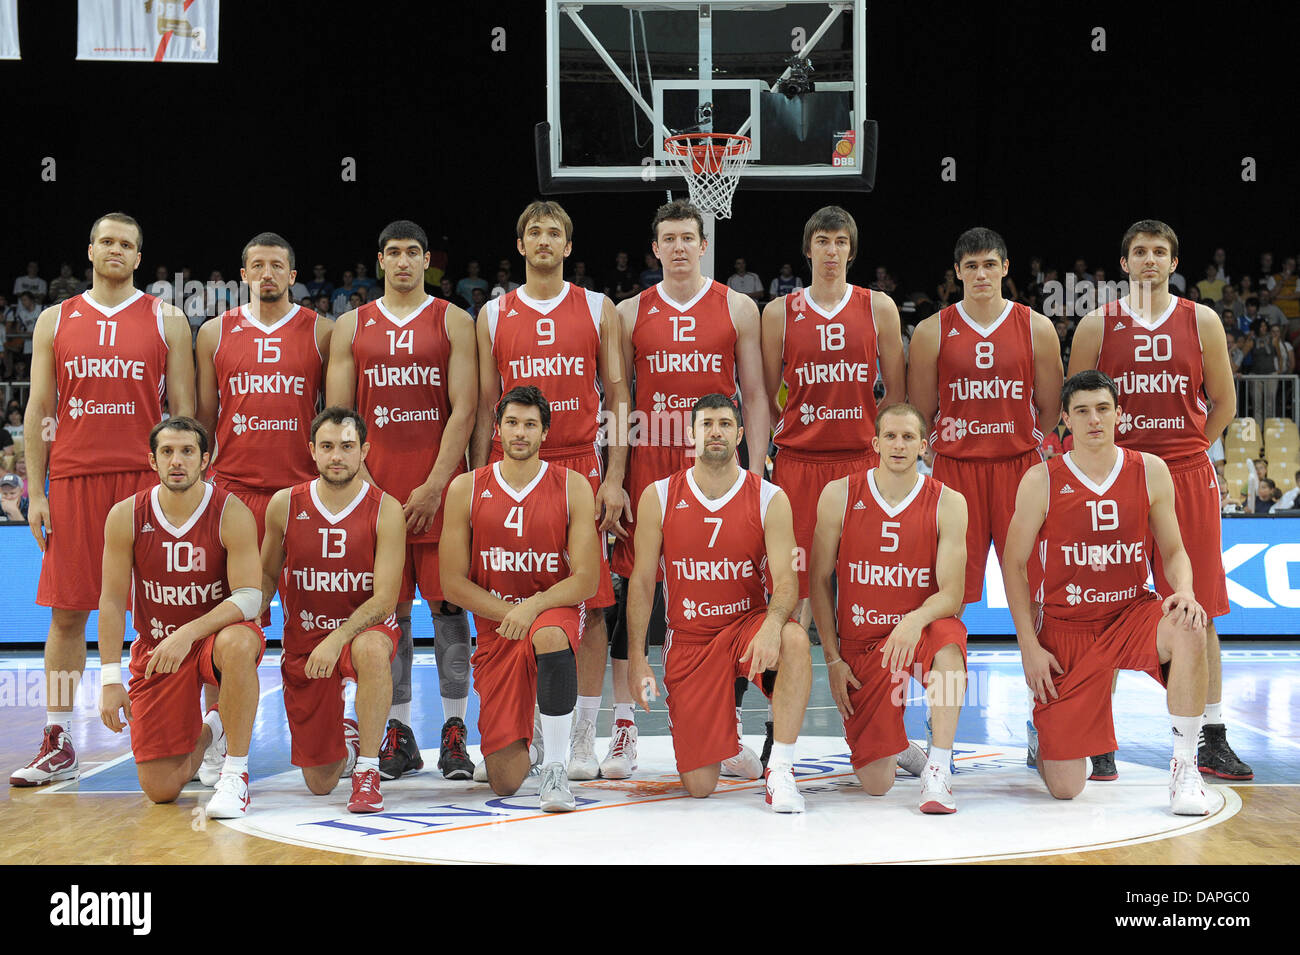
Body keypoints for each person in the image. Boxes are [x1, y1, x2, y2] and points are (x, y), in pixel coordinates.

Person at [11, 212, 195, 788]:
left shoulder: (167, 319)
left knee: (162, 613)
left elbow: (185, 415)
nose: (116, 250)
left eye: (127, 244)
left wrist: (185, 488)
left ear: (140, 257)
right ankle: (59, 735)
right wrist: (35, 492)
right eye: (107, 241)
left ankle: (171, 728)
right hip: (72, 481)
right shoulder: (54, 319)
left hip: (147, 485)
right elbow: (40, 411)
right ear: (90, 250)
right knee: (68, 614)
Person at [1068, 219, 1251, 781]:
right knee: (1104, 609)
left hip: (1185, 473)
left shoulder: (1202, 320)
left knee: (1199, 609)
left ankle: (1210, 737)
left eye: (1160, 252)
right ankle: (1097, 738)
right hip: (1118, 477)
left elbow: (1224, 400)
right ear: (1124, 264)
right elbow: (1078, 404)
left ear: (1173, 263)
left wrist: (1192, 447)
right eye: (1140, 252)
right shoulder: (1098, 323)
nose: (1150, 260)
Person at [1003, 370, 1212, 815]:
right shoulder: (1041, 479)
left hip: (1131, 613)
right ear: (1065, 420)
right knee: (1065, 787)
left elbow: (1174, 550)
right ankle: (1045, 734)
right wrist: (1028, 645)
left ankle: (1185, 767)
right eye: (1082, 411)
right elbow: (1014, 563)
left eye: (1102, 409)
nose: (1093, 419)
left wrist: (1187, 590)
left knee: (1191, 625)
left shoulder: (1150, 471)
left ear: (1120, 414)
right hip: (1066, 626)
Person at [610, 198, 770, 778]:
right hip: (650, 463)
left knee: (725, 597)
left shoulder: (739, 307)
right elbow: (620, 403)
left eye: (688, 237)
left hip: (720, 465)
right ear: (655, 248)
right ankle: (623, 730)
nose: (678, 247)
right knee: (639, 593)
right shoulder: (628, 313)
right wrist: (617, 476)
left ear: (704, 245)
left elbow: (753, 394)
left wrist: (759, 464)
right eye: (668, 238)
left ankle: (724, 733)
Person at [472, 200, 630, 781]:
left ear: (568, 246)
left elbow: (617, 397)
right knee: (515, 597)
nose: (543, 240)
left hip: (579, 468)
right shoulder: (492, 313)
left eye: (554, 233)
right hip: (509, 471)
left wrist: (614, 477)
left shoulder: (598, 308)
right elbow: (489, 408)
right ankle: (534, 727)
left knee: (587, 608)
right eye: (533, 232)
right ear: (521, 246)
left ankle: (582, 732)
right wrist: (474, 482)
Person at [326, 219, 478, 781]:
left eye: (414, 252)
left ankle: (456, 731)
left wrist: (437, 485)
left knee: (450, 615)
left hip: (440, 499)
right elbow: (341, 420)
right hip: (377, 501)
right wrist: (371, 494)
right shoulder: (351, 326)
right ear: (381, 261)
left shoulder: (454, 320)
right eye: (394, 253)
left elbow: (463, 409)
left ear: (426, 260)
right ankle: (399, 731)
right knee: (386, 618)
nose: (405, 261)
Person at [906, 227, 1061, 763]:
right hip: (955, 475)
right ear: (957, 272)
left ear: (1004, 268)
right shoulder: (932, 331)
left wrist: (1028, 450)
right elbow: (920, 411)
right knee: (946, 606)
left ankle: (1045, 721)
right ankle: (937, 724)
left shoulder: (1036, 328)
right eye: (970, 266)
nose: (980, 274)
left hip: (1019, 473)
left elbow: (1050, 405)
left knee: (1040, 602)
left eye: (989, 265)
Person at [627, 393, 812, 812]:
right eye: (707, 424)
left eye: (725, 424)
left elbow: (787, 583)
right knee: (699, 786)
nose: (715, 432)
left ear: (740, 434)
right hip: (690, 640)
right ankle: (723, 740)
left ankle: (780, 770)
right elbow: (641, 584)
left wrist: (770, 625)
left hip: (746, 627)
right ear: (691, 434)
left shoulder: (768, 497)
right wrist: (638, 659)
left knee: (795, 640)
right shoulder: (658, 495)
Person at [96, 418, 264, 818]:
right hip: (157, 647)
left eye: (187, 451)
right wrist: (108, 679)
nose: (177, 461)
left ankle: (235, 774)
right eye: (167, 452)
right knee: (161, 790)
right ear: (151, 460)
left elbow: (250, 598)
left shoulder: (230, 510)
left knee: (239, 641)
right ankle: (213, 729)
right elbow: (112, 601)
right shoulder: (126, 515)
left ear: (205, 459)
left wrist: (187, 633)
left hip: (211, 641)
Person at [440, 386, 598, 810]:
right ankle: (533, 736)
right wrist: (513, 613)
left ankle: (557, 770)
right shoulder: (465, 489)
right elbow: (452, 583)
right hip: (499, 628)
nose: (520, 433)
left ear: (545, 432)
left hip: (552, 611)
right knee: (504, 781)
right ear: (497, 428)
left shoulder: (573, 486)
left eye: (530, 424)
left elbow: (586, 580)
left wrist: (532, 608)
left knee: (549, 636)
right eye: (512, 423)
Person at [809, 403, 969, 812]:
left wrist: (914, 619)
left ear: (923, 445)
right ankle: (898, 746)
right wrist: (832, 659)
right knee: (876, 784)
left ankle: (939, 766)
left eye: (909, 437)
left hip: (915, 635)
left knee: (949, 647)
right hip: (862, 646)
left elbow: (952, 594)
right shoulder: (839, 495)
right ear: (875, 442)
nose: (899, 445)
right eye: (891, 437)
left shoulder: (948, 501)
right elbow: (819, 581)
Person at [762, 205, 906, 632]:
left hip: (861, 462)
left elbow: (896, 393)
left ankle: (869, 686)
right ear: (808, 249)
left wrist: (869, 436)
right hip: (798, 464)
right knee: (793, 592)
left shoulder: (878, 307)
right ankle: (784, 694)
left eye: (840, 241)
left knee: (869, 582)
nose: (831, 250)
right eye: (823, 241)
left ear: (851, 250)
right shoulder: (779, 312)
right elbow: (771, 396)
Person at [260, 407, 404, 813]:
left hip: (362, 630)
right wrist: (246, 619)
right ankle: (350, 734)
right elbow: (266, 577)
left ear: (364, 451)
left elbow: (385, 600)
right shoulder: (283, 505)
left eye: (346, 446)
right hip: (305, 642)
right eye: (327, 447)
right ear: (312, 451)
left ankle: (369, 771)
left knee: (372, 650)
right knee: (320, 782)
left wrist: (338, 637)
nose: (336, 456)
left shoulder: (386, 508)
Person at [195, 231, 331, 614]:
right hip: (233, 490)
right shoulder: (213, 332)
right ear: (243, 274)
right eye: (257, 266)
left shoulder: (323, 331)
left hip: (302, 490)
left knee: (309, 615)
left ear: (292, 276)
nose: (266, 273)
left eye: (277, 266)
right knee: (233, 620)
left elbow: (336, 418)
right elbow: (205, 417)